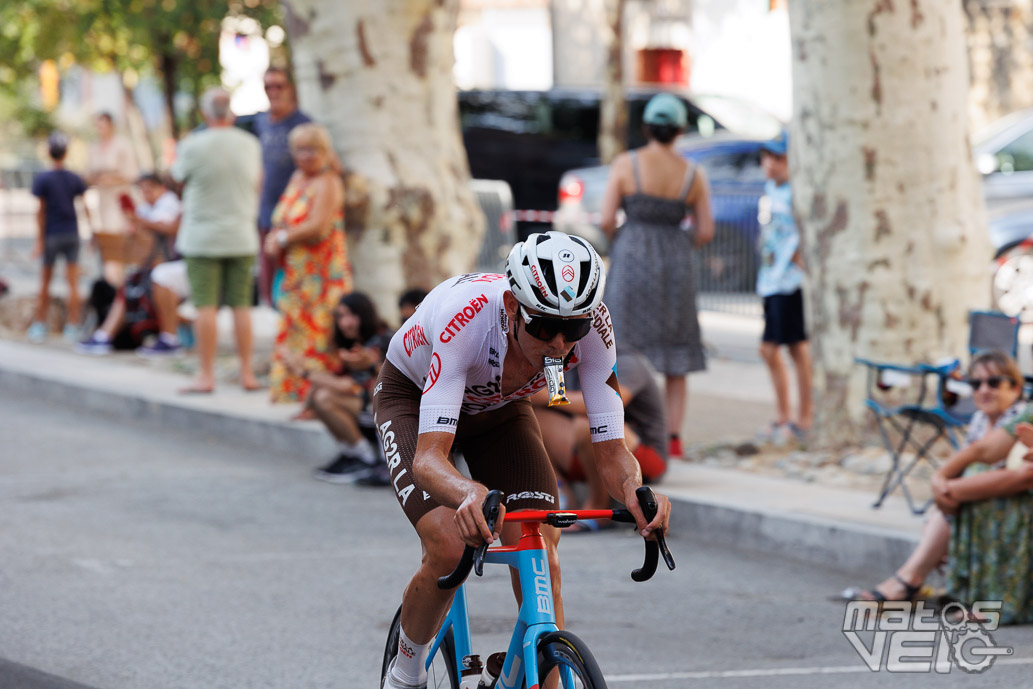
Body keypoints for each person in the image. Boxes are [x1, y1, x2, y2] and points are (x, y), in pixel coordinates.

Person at [373, 231, 671, 689]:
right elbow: (430, 459)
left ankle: (536, 675)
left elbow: (612, 450)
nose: (558, 344)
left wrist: (636, 490)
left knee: (539, 549)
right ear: (512, 306)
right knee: (449, 544)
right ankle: (405, 673)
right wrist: (468, 491)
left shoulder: (594, 331)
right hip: (414, 401)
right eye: (542, 327)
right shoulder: (466, 318)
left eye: (572, 329)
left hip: (498, 410)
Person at [843, 351, 1033, 624]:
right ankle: (920, 580)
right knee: (970, 482)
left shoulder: (1022, 412)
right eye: (976, 384)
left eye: (993, 382)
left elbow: (1020, 475)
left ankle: (911, 581)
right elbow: (985, 450)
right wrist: (940, 480)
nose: (983, 390)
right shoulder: (995, 418)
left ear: (1015, 386)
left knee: (977, 488)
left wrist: (951, 490)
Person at [599, 92, 714, 461]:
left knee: (621, 347)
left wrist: (625, 242)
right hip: (675, 267)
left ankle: (620, 425)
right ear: (680, 129)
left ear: (646, 127)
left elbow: (605, 219)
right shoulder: (693, 174)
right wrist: (680, 247)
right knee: (676, 354)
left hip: (632, 258)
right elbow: (706, 230)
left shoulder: (626, 164)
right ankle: (674, 437)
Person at [170, 87, 262, 394]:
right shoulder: (250, 144)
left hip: (202, 237)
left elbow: (177, 177)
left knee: (204, 306)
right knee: (241, 306)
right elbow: (257, 183)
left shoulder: (193, 145)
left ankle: (205, 375)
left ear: (205, 113)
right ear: (230, 113)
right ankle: (246, 373)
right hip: (240, 235)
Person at [265, 123, 353, 403]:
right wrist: (275, 237)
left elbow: (317, 226)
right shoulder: (297, 177)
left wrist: (280, 238)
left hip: (322, 277)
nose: (305, 156)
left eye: (312, 149)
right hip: (296, 276)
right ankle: (295, 393)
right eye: (300, 150)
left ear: (324, 151)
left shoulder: (328, 182)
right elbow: (284, 218)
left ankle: (317, 399)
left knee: (318, 338)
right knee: (295, 336)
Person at [533, 347, 668, 529]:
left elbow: (610, 403)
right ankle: (561, 494)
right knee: (529, 417)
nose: (559, 339)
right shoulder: (558, 355)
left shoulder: (628, 362)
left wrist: (548, 395)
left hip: (644, 454)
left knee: (590, 422)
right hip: (588, 451)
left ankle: (598, 508)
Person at [280, 292, 392, 483]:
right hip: (366, 413)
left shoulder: (382, 340)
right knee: (316, 394)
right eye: (340, 316)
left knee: (324, 396)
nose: (345, 322)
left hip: (387, 417)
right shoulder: (348, 344)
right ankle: (355, 454)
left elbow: (349, 387)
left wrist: (304, 373)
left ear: (364, 315)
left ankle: (370, 459)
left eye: (351, 315)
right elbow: (336, 378)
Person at [77, 173, 181, 355]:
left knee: (136, 285)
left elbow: (166, 228)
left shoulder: (169, 203)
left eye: (149, 190)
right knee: (129, 286)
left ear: (161, 188)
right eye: (143, 191)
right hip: (153, 266)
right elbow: (137, 234)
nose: (146, 194)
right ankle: (105, 335)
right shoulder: (149, 207)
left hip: (169, 265)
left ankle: (106, 336)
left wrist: (140, 222)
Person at [756, 130, 812, 444]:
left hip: (789, 283)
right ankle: (787, 416)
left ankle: (800, 417)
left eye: (778, 158)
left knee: (787, 348)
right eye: (768, 157)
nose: (770, 164)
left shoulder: (795, 192)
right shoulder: (771, 189)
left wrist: (799, 260)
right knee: (790, 348)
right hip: (771, 280)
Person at [254, 66, 311, 306]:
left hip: (295, 219)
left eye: (279, 85)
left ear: (290, 89)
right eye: (269, 86)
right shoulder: (260, 122)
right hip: (268, 215)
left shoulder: (303, 123)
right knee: (270, 286)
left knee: (296, 284)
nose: (274, 91)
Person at [28, 132, 91, 344]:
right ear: (66, 152)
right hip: (72, 234)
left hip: (52, 234)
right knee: (73, 283)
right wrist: (92, 233)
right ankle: (72, 325)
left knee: (45, 281)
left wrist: (39, 240)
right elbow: (85, 206)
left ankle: (40, 324)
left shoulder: (43, 179)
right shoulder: (74, 178)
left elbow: (40, 212)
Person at [87, 112, 139, 287]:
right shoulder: (94, 147)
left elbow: (132, 175)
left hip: (119, 203)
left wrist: (112, 179)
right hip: (102, 203)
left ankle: (118, 289)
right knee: (106, 248)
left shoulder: (122, 145)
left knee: (118, 250)